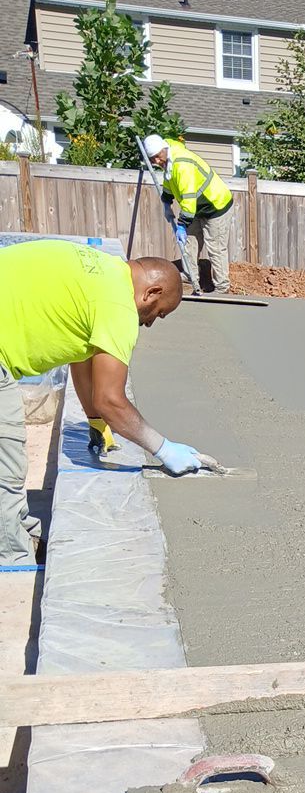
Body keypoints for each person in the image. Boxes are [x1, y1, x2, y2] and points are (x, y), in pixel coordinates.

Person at [0, 239, 207, 565]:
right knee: (8, 466)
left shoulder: (106, 272)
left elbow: (82, 360)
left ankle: (21, 533)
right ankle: (14, 557)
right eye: (159, 313)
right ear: (151, 293)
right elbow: (111, 400)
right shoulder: (119, 306)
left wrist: (95, 421)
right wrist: (164, 449)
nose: (151, 322)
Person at [143, 134, 233, 295]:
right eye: (152, 159)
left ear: (164, 149)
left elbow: (189, 200)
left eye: (157, 156)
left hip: (215, 204)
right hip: (196, 207)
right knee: (189, 243)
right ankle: (191, 276)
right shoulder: (168, 160)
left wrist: (182, 225)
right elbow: (170, 181)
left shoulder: (182, 165)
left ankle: (222, 287)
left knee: (215, 247)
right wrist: (166, 201)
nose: (156, 161)